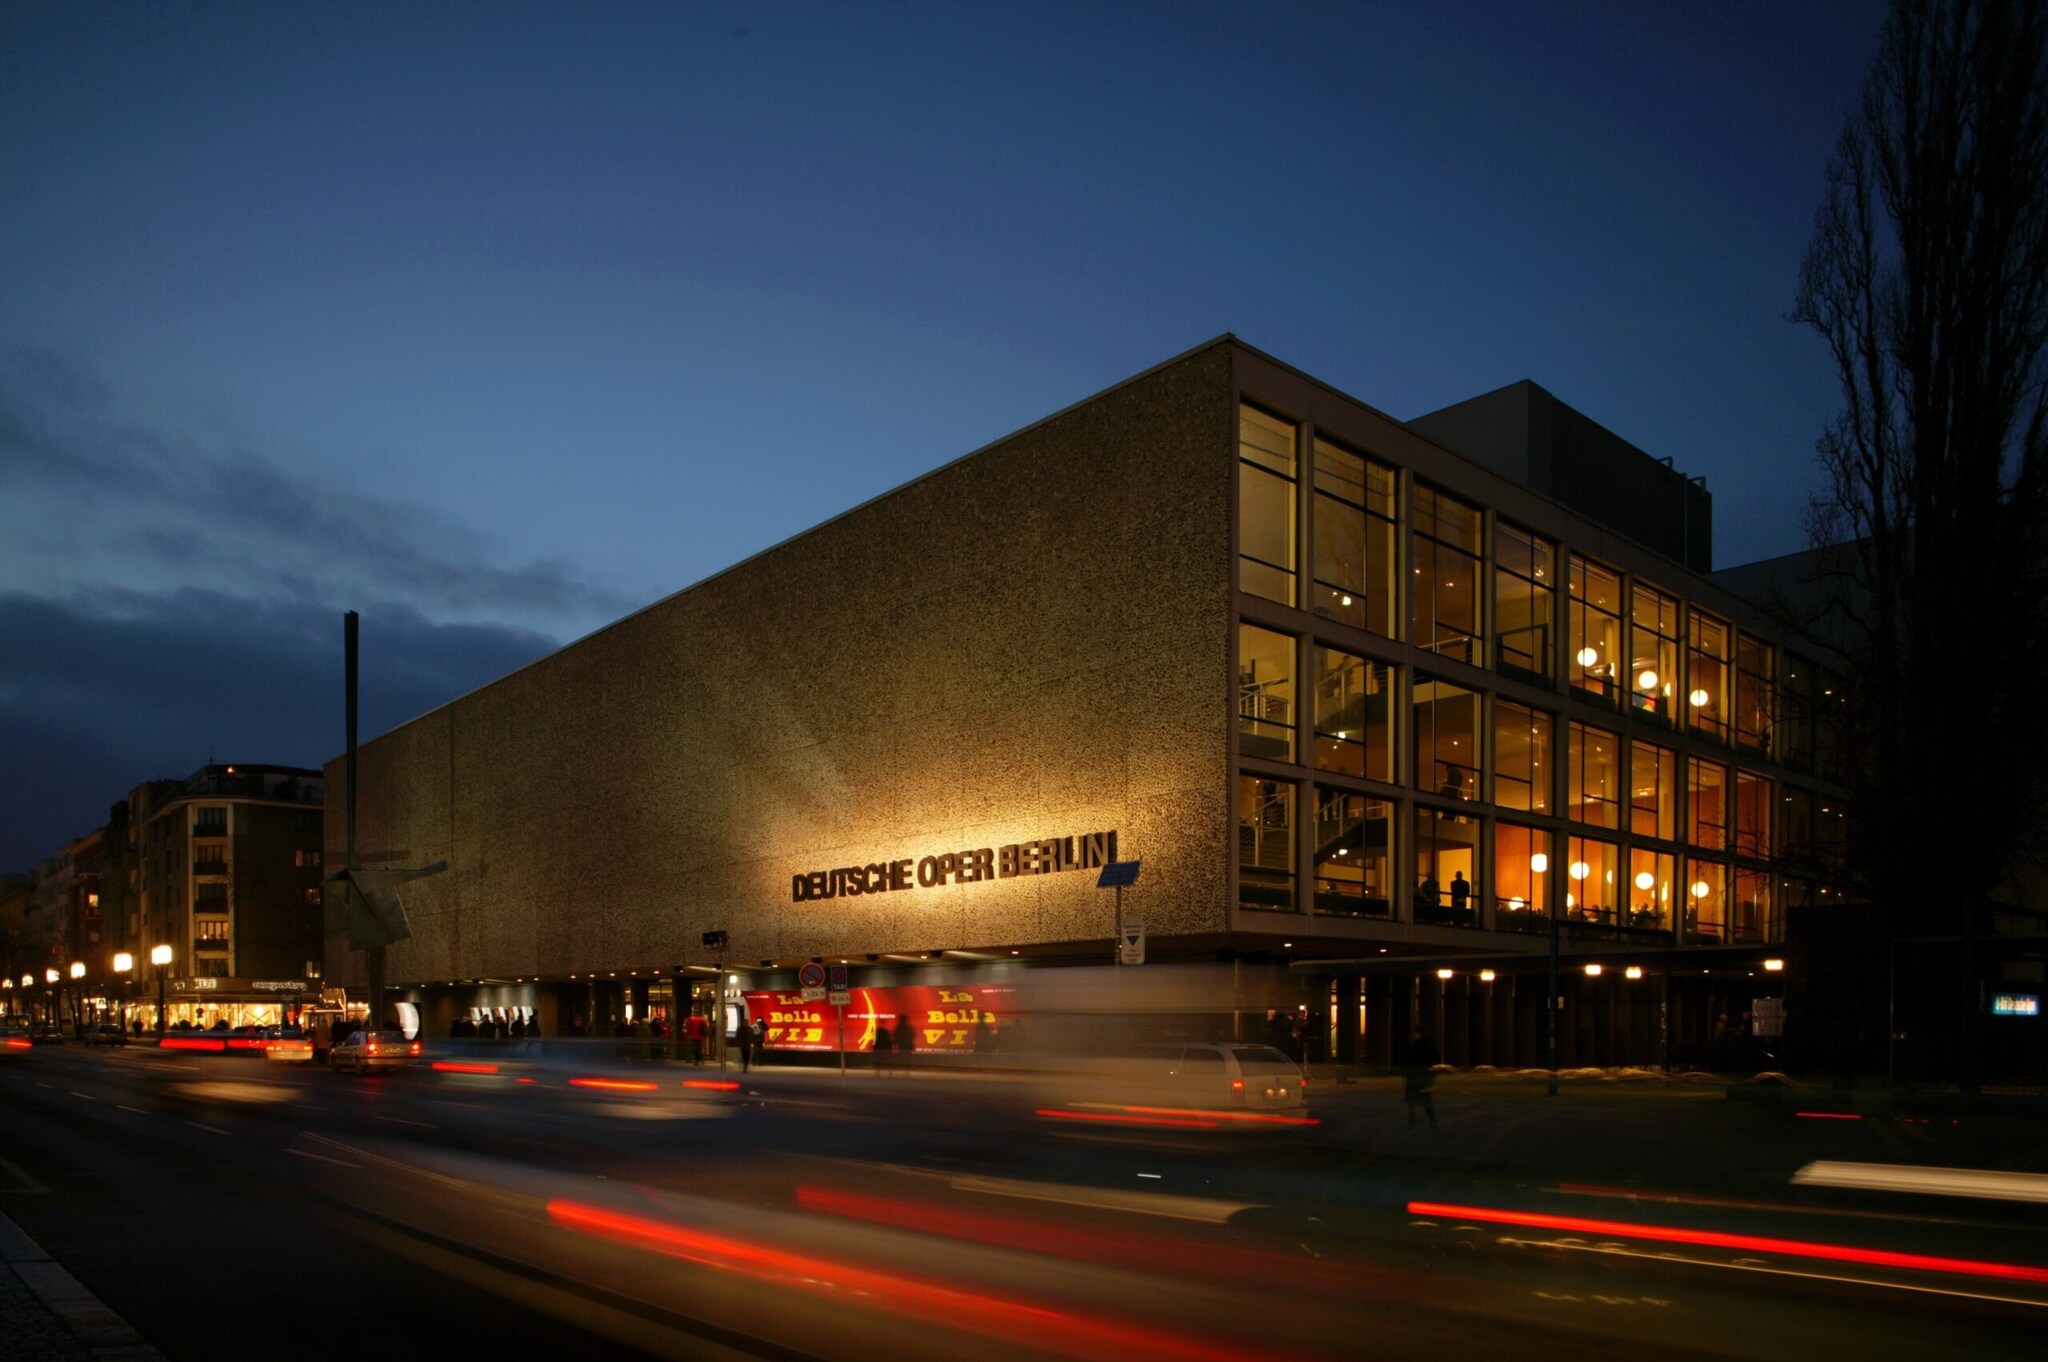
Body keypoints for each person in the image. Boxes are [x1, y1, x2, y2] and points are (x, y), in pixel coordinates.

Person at [1402, 1027, 1441, 1130]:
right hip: (1424, 1076)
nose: (1413, 1035)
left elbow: (1409, 1061)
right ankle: (1432, 1122)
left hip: (1414, 1076)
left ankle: (1412, 1123)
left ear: (1418, 1033)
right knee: (1426, 1100)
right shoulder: (1429, 1046)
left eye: (1414, 1033)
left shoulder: (1415, 1046)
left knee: (1411, 1101)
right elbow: (1436, 1058)